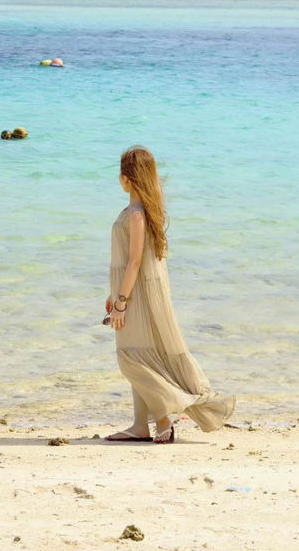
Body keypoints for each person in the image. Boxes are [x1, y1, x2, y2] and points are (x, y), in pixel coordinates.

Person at [105, 145, 236, 444]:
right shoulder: (140, 212)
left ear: (127, 179)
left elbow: (135, 261)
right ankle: (140, 425)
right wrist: (114, 295)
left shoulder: (136, 214)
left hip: (135, 299)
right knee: (139, 357)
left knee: (132, 360)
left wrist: (123, 303)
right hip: (130, 294)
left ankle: (163, 420)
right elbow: (127, 261)